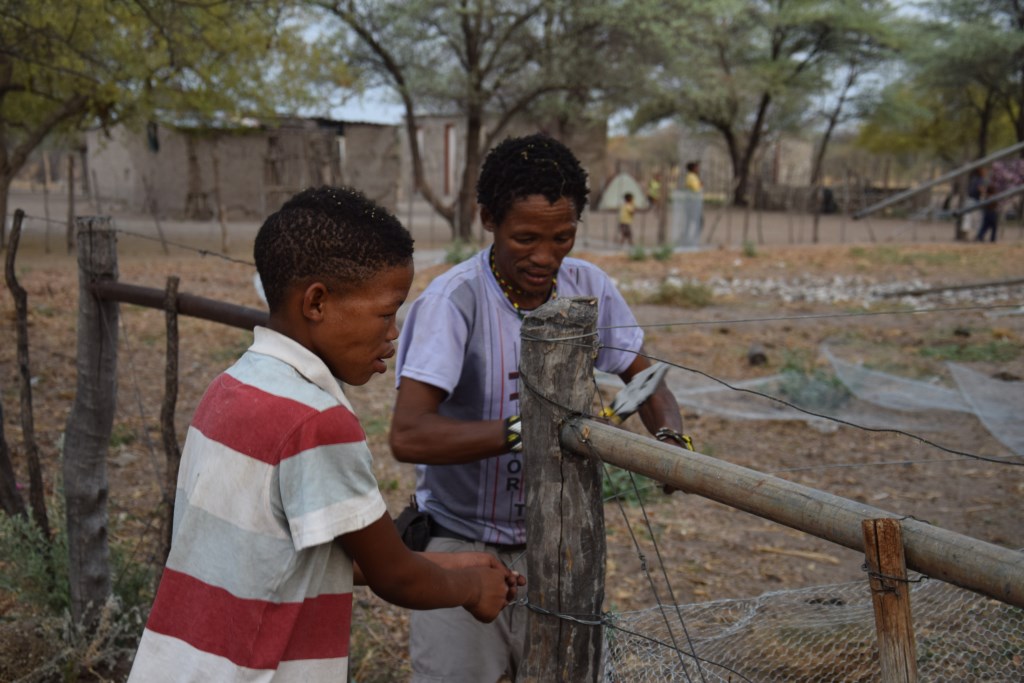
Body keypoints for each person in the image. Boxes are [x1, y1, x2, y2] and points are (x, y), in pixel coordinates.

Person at [128, 186, 521, 682]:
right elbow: (393, 576)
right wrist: (468, 590)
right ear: (316, 302)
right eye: (386, 311)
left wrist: (452, 563)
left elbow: (290, 555)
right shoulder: (316, 422)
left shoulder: (231, 388)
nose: (394, 331)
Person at [389, 133, 691, 683]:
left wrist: (670, 440)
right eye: (525, 238)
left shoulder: (586, 288)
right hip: (460, 540)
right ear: (487, 219)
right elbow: (409, 435)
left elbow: (644, 376)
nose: (546, 257)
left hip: (560, 541)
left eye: (563, 237)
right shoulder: (454, 301)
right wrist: (526, 431)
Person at [681, 160, 704, 247]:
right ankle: (691, 239)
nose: (698, 169)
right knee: (698, 221)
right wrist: (701, 185)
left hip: (693, 204)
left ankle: (688, 238)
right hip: (692, 204)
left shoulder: (693, 176)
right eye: (697, 167)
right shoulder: (691, 177)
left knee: (691, 222)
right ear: (693, 168)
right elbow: (696, 189)